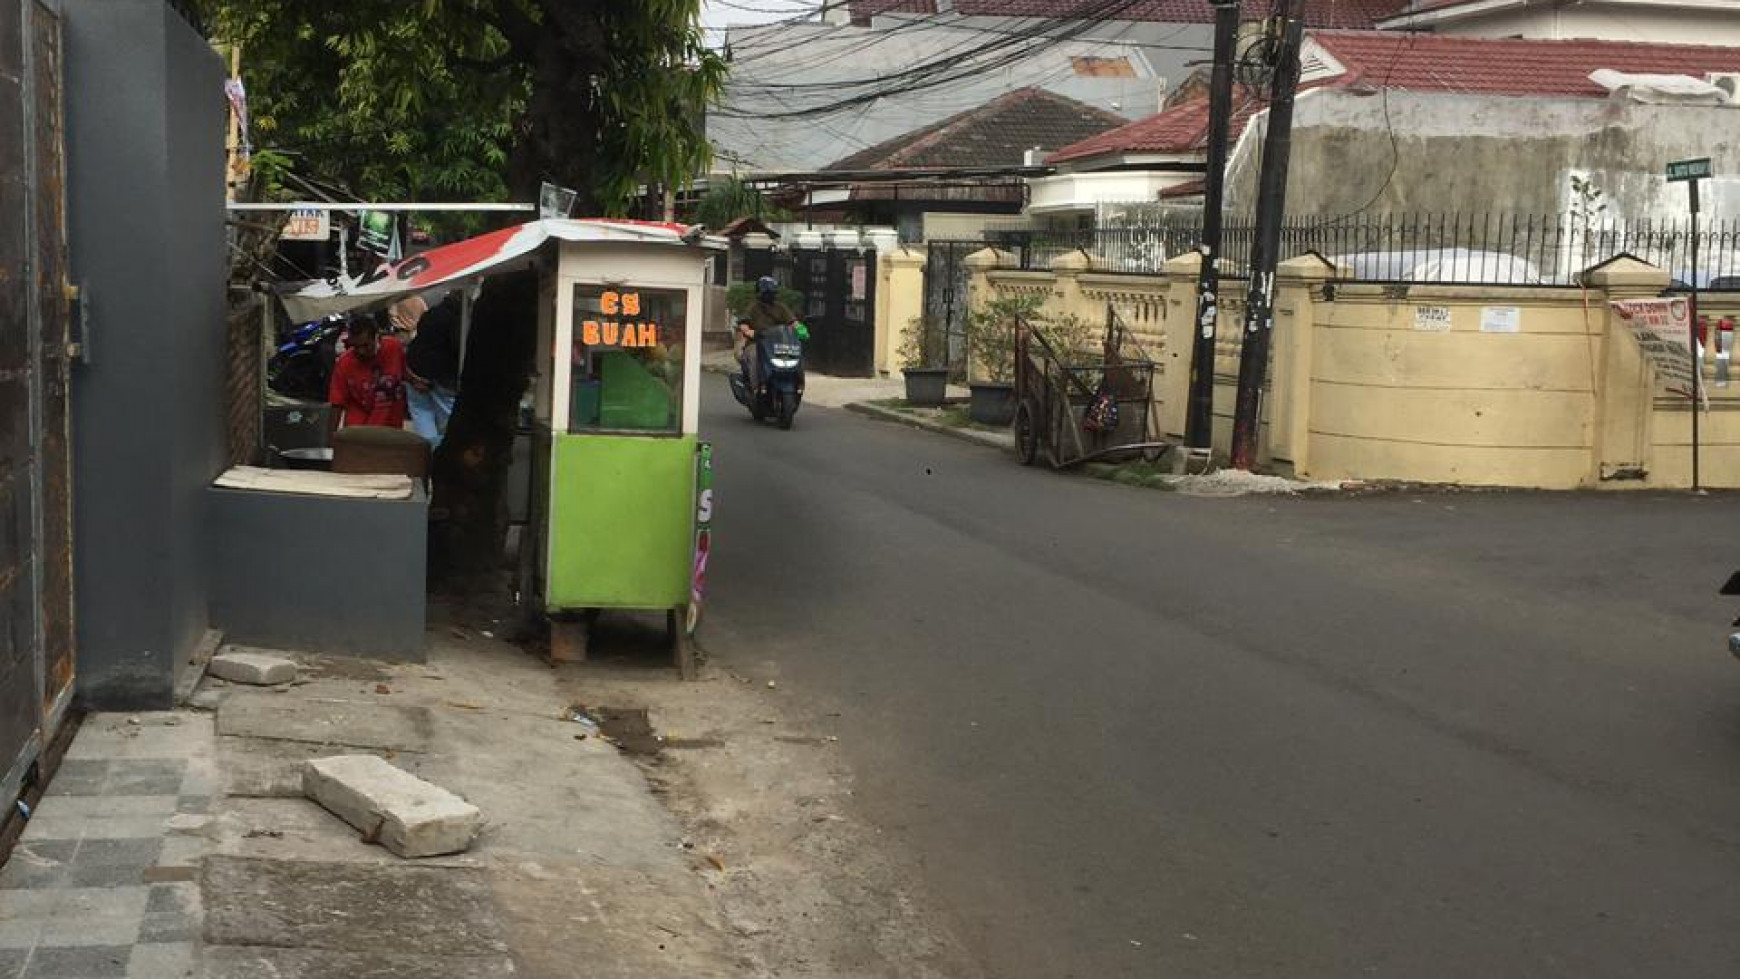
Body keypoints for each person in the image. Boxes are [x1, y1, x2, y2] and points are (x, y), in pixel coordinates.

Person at [328, 314, 408, 433]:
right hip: (359, 430)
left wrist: (417, 381)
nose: (361, 351)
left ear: (377, 337)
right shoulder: (344, 363)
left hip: (391, 427)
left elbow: (405, 372)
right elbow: (336, 403)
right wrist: (331, 439)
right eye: (356, 346)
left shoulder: (394, 348)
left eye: (366, 346)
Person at [402, 293, 462, 445]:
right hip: (443, 377)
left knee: (422, 417)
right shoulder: (461, 320)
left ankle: (428, 453)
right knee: (448, 426)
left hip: (415, 369)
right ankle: (440, 457)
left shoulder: (433, 313)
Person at [738, 276, 795, 390]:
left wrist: (799, 329)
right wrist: (749, 332)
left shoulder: (781, 307)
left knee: (793, 356)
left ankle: (796, 384)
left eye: (772, 292)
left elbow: (792, 322)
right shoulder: (753, 307)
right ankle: (755, 387)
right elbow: (743, 324)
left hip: (778, 343)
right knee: (754, 356)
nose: (770, 295)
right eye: (766, 292)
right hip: (757, 343)